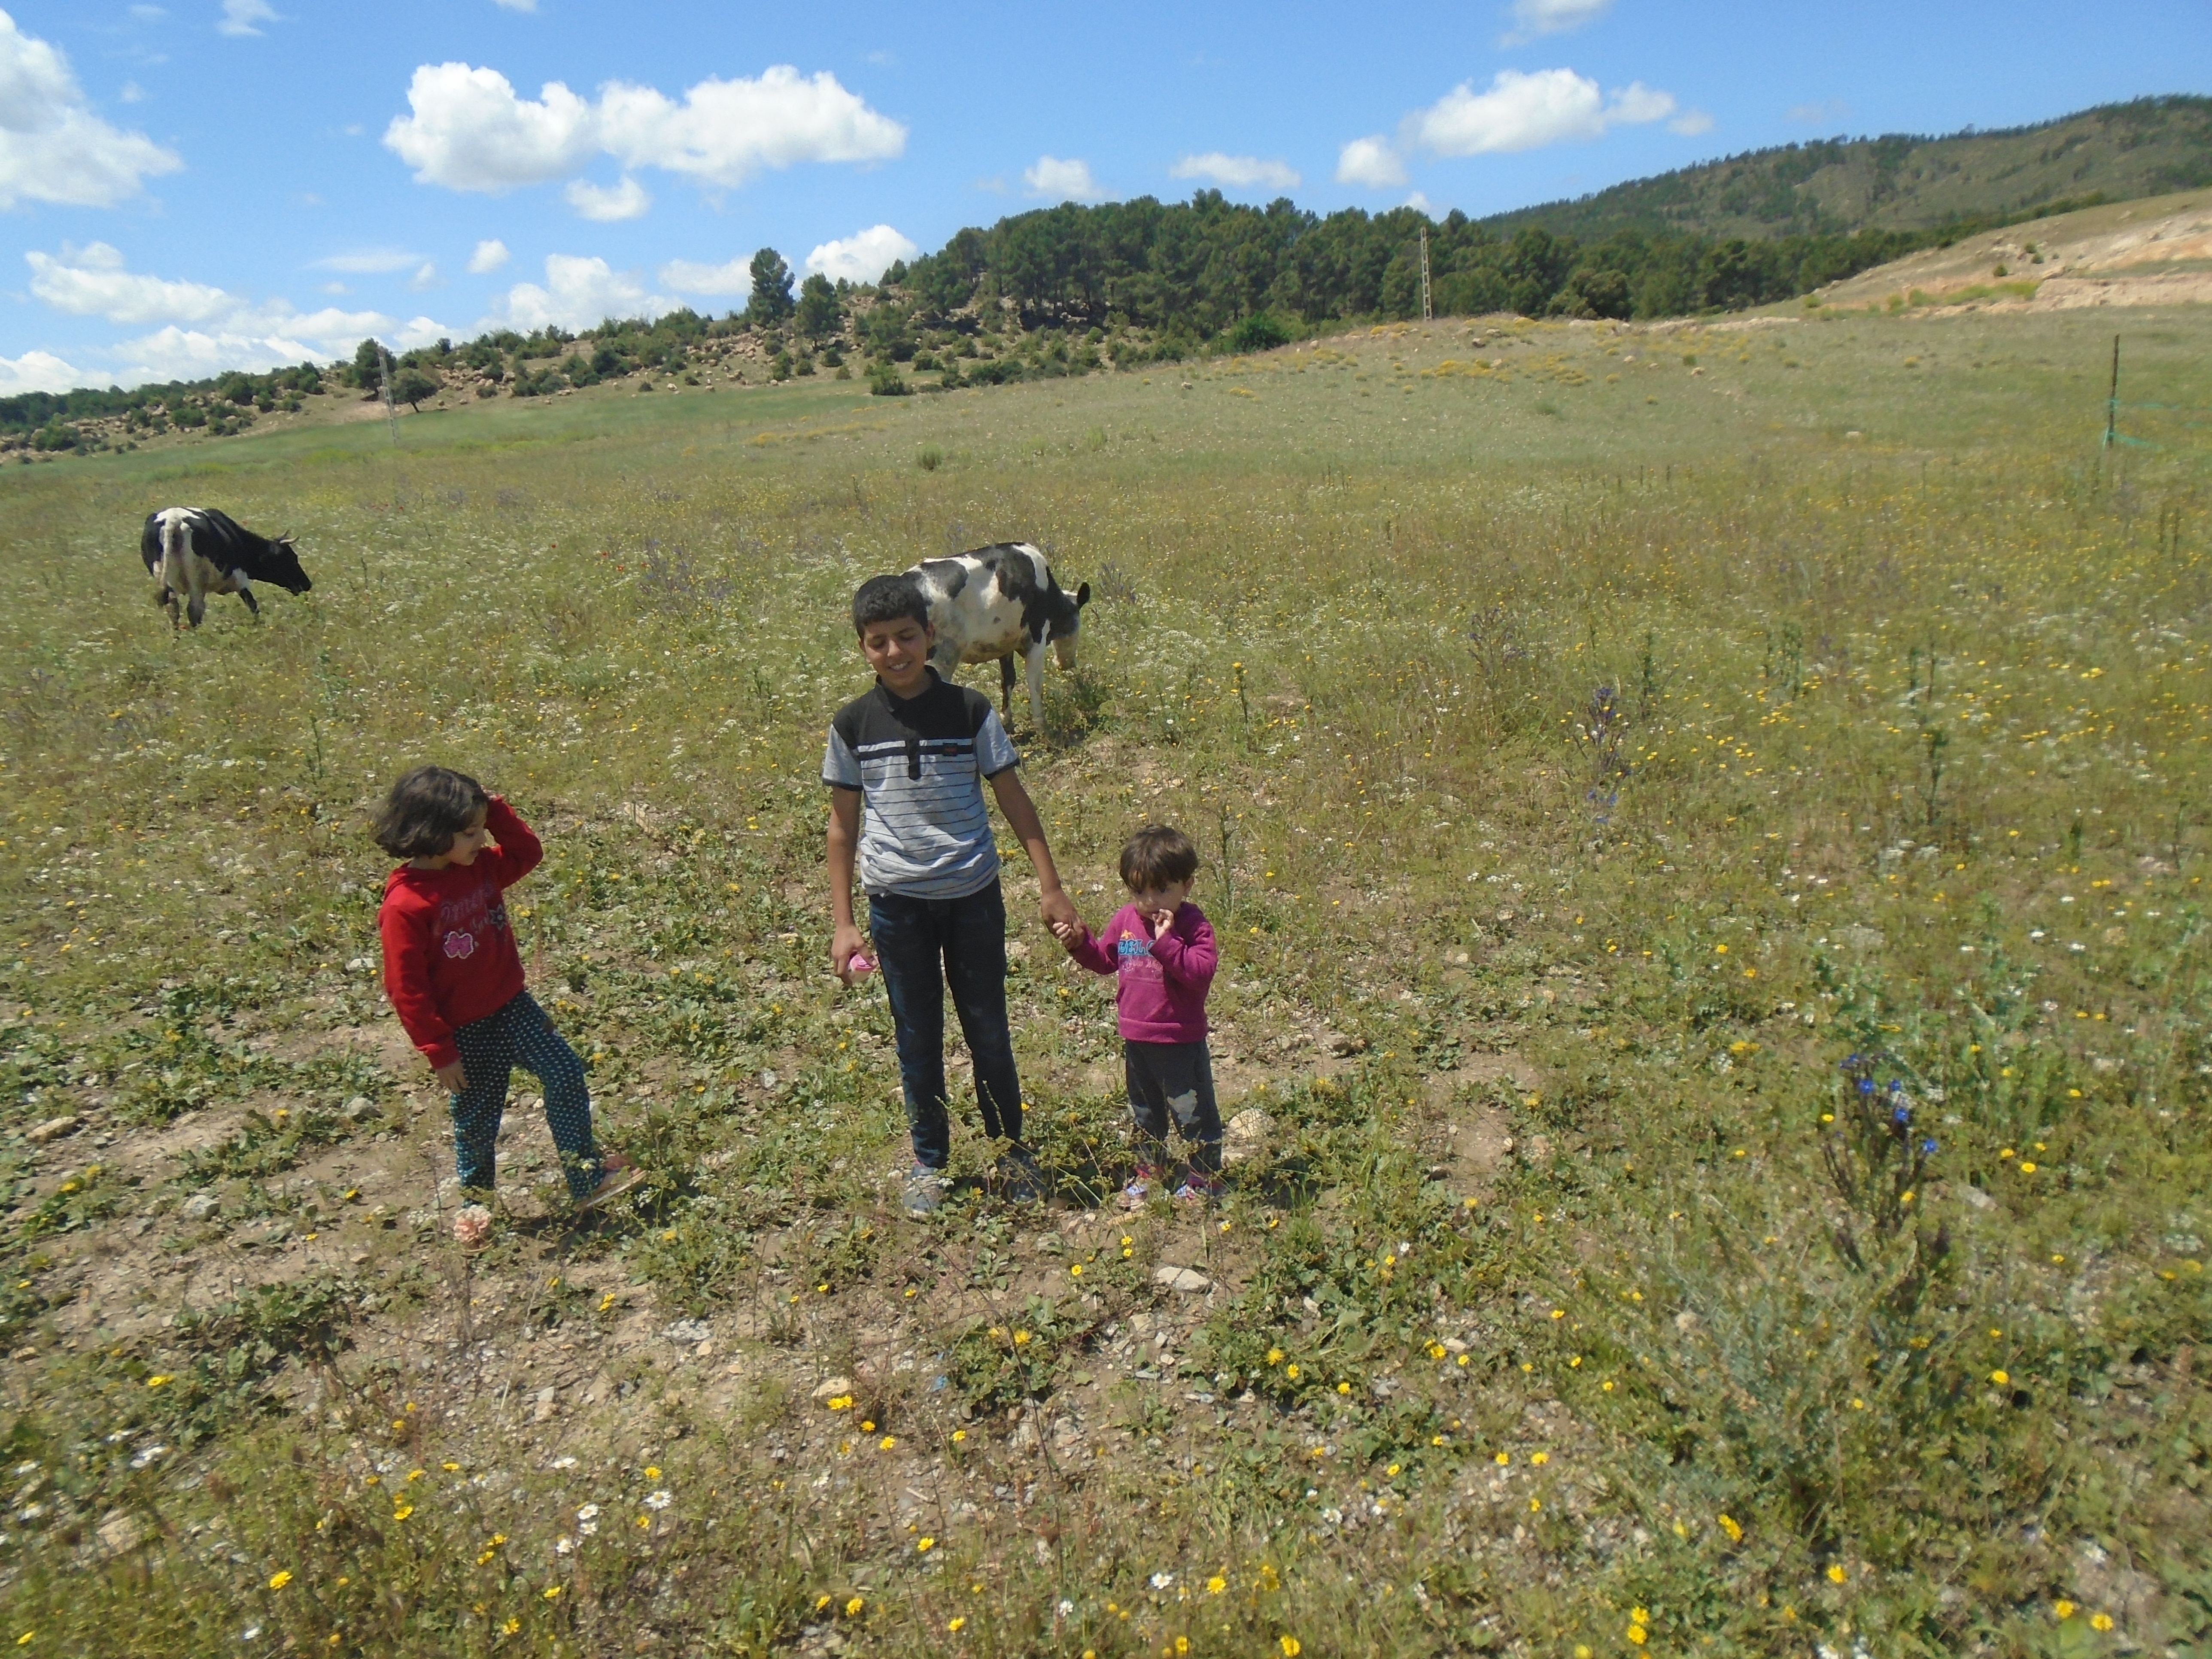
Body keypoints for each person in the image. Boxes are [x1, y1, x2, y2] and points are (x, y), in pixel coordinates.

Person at [824, 573, 1080, 1215]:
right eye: (878, 642)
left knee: (988, 1026)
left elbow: (1015, 801)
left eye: (906, 637)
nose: (895, 653)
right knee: (917, 1034)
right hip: (897, 906)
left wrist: (1051, 887)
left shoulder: (971, 712)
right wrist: (844, 923)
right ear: (862, 647)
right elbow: (841, 829)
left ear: (931, 635)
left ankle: (1010, 1151)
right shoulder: (853, 725)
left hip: (972, 898)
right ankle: (929, 1161)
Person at [374, 766, 643, 1246]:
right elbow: (406, 987)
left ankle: (586, 1179)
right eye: (470, 832)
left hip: (512, 1006)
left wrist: (494, 809)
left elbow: (527, 852)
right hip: (464, 1031)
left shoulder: (477, 867)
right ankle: (477, 1205)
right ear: (431, 834)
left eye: (482, 829)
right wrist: (439, 1050)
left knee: (564, 1072)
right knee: (478, 1116)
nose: (481, 840)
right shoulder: (407, 905)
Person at [1050, 825, 1222, 1206]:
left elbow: (1200, 973)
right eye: (1139, 890)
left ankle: (1205, 1178)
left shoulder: (1193, 926)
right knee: (1145, 1110)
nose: (1149, 901)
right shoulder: (1127, 920)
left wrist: (1168, 944)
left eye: (1163, 890)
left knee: (1191, 1109)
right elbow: (1105, 960)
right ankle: (1152, 1169)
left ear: (1187, 885)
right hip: (1137, 1036)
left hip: (1180, 1038)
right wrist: (1080, 944)